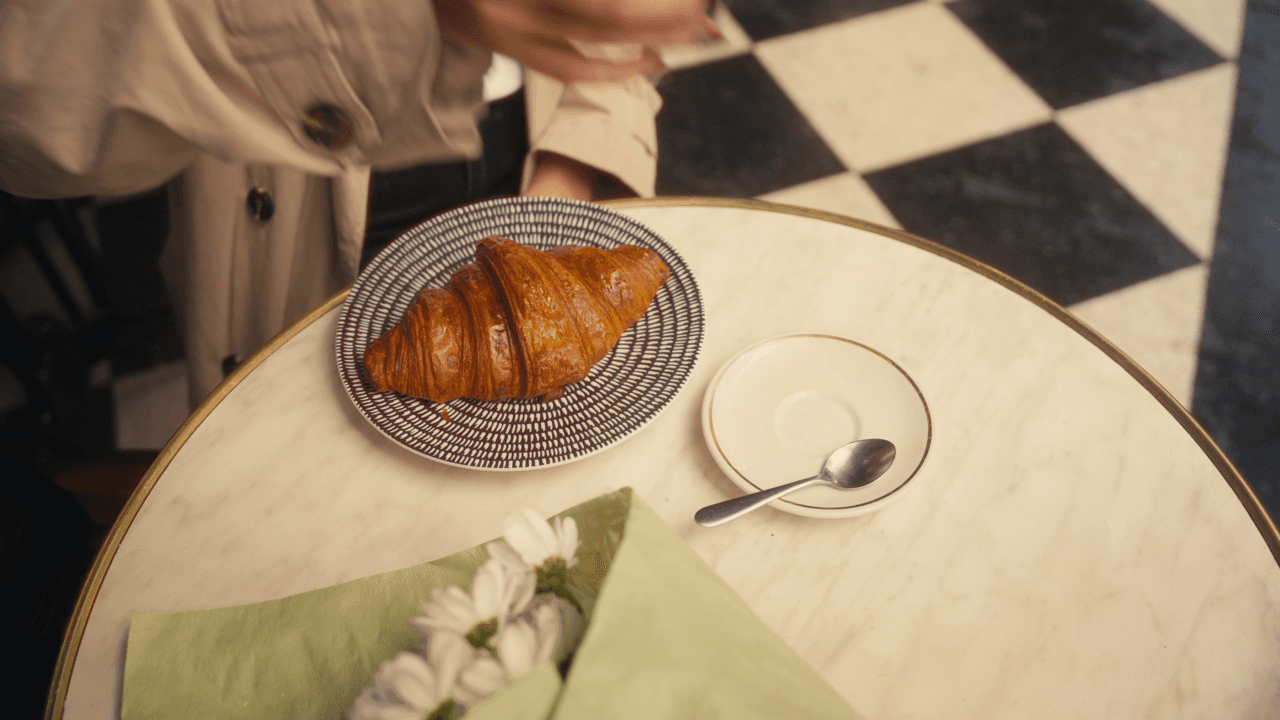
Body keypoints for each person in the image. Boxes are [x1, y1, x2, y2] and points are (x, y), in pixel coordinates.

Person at [0, 0, 716, 405]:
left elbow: (617, 37)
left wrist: (559, 195)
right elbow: (29, 128)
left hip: (529, 184)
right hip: (289, 240)